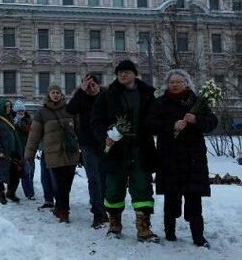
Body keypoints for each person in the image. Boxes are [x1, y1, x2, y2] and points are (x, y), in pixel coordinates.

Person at [147, 69, 218, 248]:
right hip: (169, 158)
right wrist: (171, 125)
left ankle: (198, 236)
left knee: (194, 199)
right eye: (172, 82)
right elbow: (149, 124)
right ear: (167, 84)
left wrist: (196, 120)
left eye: (179, 81)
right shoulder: (160, 103)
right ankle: (170, 232)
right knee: (172, 198)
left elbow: (212, 122)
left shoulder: (197, 102)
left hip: (193, 159)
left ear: (186, 83)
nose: (175, 84)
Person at [91, 59, 159, 242]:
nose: (122, 75)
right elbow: (95, 121)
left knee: (142, 187)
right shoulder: (107, 96)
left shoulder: (147, 94)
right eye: (120, 72)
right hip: (115, 150)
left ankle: (143, 228)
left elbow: (155, 118)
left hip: (140, 148)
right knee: (113, 187)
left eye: (127, 72)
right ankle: (114, 225)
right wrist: (104, 136)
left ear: (134, 74)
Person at [25, 84, 80, 223]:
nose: (56, 94)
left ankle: (60, 207)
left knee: (67, 184)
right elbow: (34, 135)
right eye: (53, 92)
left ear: (61, 94)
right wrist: (29, 155)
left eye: (58, 92)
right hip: (53, 155)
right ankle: (63, 212)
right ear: (48, 95)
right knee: (60, 184)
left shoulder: (70, 109)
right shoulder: (42, 112)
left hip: (70, 153)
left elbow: (78, 129)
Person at [66, 73, 108, 229]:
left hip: (105, 142)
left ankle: (104, 207)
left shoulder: (105, 96)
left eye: (93, 84)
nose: (90, 87)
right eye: (87, 84)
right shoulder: (81, 97)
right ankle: (98, 213)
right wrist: (81, 91)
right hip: (88, 143)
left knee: (104, 178)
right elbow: (70, 109)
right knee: (94, 178)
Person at [0, 99, 22, 204]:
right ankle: (0, 193)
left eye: (9, 107)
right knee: (0, 174)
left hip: (12, 151)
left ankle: (11, 192)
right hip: (2, 152)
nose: (8, 109)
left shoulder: (10, 119)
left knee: (15, 174)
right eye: (6, 107)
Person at [13, 99, 35, 200]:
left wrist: (19, 124)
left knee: (28, 172)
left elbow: (29, 131)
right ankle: (13, 191)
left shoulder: (28, 120)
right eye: (18, 111)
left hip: (27, 149)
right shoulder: (12, 120)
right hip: (16, 150)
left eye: (22, 111)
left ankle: (29, 192)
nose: (21, 113)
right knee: (18, 172)